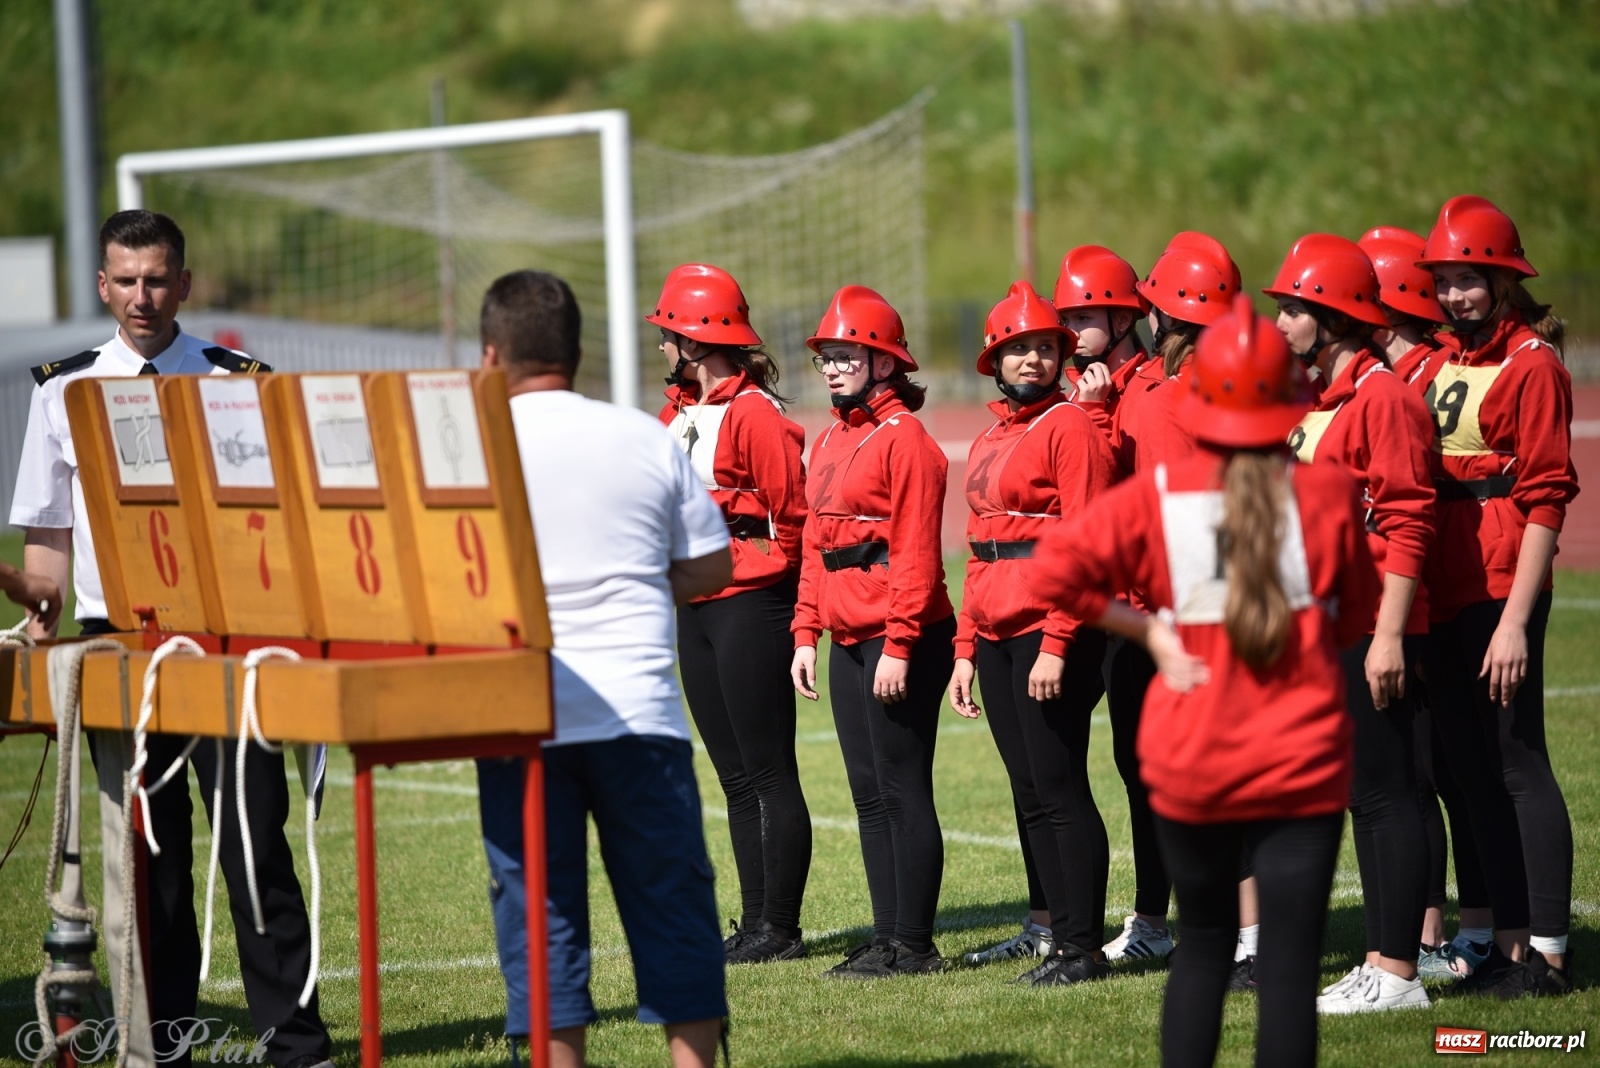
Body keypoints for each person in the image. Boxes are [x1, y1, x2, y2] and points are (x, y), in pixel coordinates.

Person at [10, 209, 331, 1068]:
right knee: (149, 863)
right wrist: (36, 614)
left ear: (185, 284)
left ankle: (295, 1045)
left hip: (228, 642)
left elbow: (280, 522)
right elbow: (46, 541)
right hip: (117, 649)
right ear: (104, 286)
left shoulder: (240, 380)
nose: (142, 297)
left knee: (254, 845)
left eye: (158, 279)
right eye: (126, 280)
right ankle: (163, 1042)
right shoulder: (60, 389)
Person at [1033, 295, 1380, 1067]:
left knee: (1202, 951)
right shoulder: (1324, 497)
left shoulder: (1161, 498)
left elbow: (1053, 570)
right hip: (1303, 757)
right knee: (1287, 973)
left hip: (1192, 754)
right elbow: (1359, 612)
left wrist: (1150, 627)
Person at [475, 269, 733, 1067]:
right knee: (673, 908)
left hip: (520, 717)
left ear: (491, 356)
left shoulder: (470, 449)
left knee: (542, 923)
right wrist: (634, 576)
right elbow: (712, 566)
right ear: (577, 353)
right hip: (639, 714)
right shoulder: (643, 435)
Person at [1410, 195, 1578, 998]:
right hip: (1441, 589)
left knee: (1517, 762)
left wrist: (1514, 623)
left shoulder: (1533, 365)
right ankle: (1509, 950)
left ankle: (1547, 953)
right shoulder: (1433, 360)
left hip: (1499, 586)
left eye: (1470, 280)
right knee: (1470, 768)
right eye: (1444, 281)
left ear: (1506, 281)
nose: (1454, 295)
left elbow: (1547, 498)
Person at [1264, 233, 1437, 1013]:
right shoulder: (1322, 399)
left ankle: (1399, 971)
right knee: (1359, 792)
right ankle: (1380, 960)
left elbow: (1407, 520)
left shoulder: (1387, 398)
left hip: (1371, 623)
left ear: (1332, 316)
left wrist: (1392, 636)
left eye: (1293, 307)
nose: (1281, 322)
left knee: (1386, 791)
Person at [945, 281, 1117, 985]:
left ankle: (1080, 948)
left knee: (1059, 786)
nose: (1032, 361)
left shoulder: (1071, 427)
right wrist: (964, 648)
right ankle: (1056, 937)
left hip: (1049, 632)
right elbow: (981, 546)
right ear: (995, 358)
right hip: (994, 633)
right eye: (1018, 349)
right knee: (1027, 791)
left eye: (1045, 348)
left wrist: (1056, 641)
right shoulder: (994, 434)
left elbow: (1087, 543)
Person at [788, 285, 956, 978]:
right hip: (848, 637)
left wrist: (901, 642)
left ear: (884, 362)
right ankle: (887, 938)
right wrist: (805, 631)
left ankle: (913, 944)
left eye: (845, 354)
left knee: (902, 787)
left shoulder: (907, 442)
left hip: (899, 638)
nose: (831, 366)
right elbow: (814, 544)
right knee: (867, 791)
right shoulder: (831, 438)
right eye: (826, 355)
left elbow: (917, 554)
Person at [648, 263, 813, 964]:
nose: (660, 346)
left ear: (696, 338)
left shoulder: (756, 415)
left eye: (667, 333)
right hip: (697, 603)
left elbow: (795, 520)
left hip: (751, 602)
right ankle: (753, 926)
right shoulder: (677, 411)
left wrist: (799, 617)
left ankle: (781, 929)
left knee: (770, 771)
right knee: (734, 777)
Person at [1359, 226, 1491, 982]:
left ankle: (1461, 928)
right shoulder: (1397, 372)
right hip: (1414, 595)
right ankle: (1434, 928)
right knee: (1422, 771)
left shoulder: (1411, 376)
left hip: (1429, 595)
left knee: (1444, 768)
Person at [1055, 243, 1177, 965]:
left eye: (1083, 314)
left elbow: (1121, 492)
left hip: (1143, 608)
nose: (1070, 327)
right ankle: (1068, 919)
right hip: (1098, 605)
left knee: (1151, 768)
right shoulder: (1086, 386)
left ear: (1124, 314)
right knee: (1085, 764)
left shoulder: (1151, 387)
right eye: (1065, 313)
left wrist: (1096, 417)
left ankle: (1159, 921)